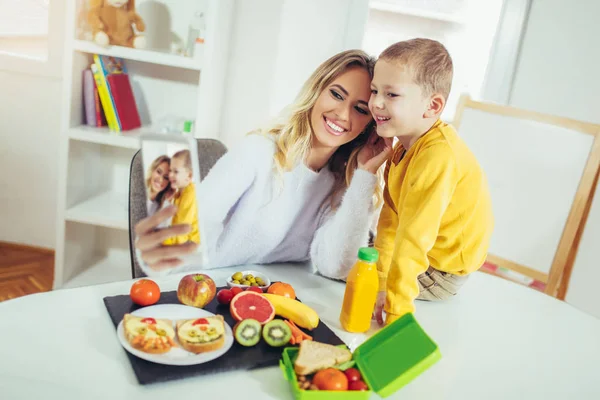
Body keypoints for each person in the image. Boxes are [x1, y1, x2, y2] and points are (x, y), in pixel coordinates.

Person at [134, 49, 393, 278]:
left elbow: (336, 266)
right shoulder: (257, 153)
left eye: (360, 109)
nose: (342, 114)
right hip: (205, 289)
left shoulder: (340, 185)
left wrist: (365, 174)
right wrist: (157, 256)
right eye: (336, 94)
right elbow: (188, 232)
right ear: (316, 92)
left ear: (368, 127)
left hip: (272, 301)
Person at [369, 38, 494, 326]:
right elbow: (390, 220)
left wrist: (396, 308)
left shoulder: (437, 156)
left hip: (441, 273)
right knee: (359, 253)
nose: (376, 102)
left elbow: (414, 238)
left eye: (392, 95)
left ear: (432, 105)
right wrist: (381, 279)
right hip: (423, 253)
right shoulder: (403, 148)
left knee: (351, 267)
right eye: (375, 90)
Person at [162, 150, 200, 245]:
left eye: (176, 171)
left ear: (189, 175)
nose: (170, 175)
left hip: (192, 242)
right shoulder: (179, 192)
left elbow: (182, 227)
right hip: (183, 238)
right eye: (170, 170)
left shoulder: (190, 194)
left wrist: (167, 243)